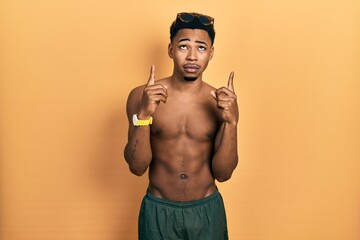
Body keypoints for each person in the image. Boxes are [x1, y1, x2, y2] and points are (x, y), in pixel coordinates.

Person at [124, 12, 238, 240]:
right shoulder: (141, 96)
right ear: (170, 50)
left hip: (207, 212)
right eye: (184, 47)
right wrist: (145, 114)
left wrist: (231, 122)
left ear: (211, 53)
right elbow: (137, 167)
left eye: (202, 48)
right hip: (158, 212)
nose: (193, 57)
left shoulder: (222, 102)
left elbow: (224, 174)